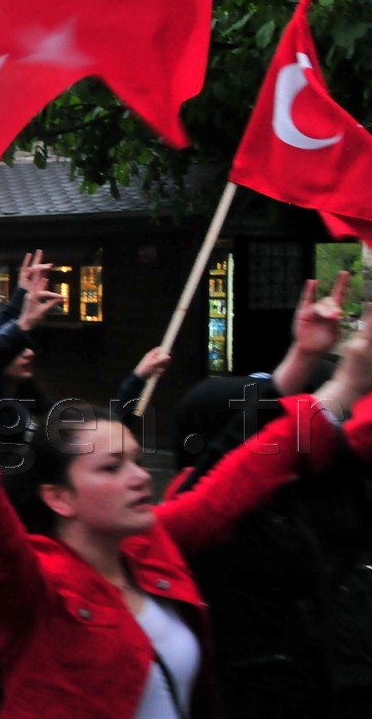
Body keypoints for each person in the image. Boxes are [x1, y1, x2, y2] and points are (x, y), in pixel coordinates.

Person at [0, 296, 372, 719]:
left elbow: (248, 465)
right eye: (111, 468)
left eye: (137, 461)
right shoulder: (33, 585)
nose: (141, 477)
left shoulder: (155, 543)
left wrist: (343, 383)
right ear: (58, 496)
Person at [168, 275, 372, 717]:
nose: (132, 475)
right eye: (112, 465)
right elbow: (247, 453)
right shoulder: (199, 523)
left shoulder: (289, 502)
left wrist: (304, 356)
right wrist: (346, 384)